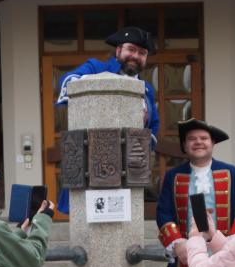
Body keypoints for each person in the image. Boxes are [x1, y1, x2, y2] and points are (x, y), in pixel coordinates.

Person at [55, 26, 159, 214]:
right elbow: (67, 82)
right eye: (131, 49)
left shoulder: (147, 89)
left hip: (129, 167)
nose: (136, 56)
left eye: (142, 53)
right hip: (91, 162)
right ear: (118, 50)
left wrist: (142, 145)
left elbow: (153, 127)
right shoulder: (96, 67)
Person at [156, 118, 235, 267]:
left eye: (204, 138)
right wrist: (177, 243)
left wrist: (233, 242)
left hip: (222, 252)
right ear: (184, 145)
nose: (198, 142)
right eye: (192, 139)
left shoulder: (232, 173)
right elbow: (163, 212)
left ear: (213, 143)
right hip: (189, 255)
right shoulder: (173, 175)